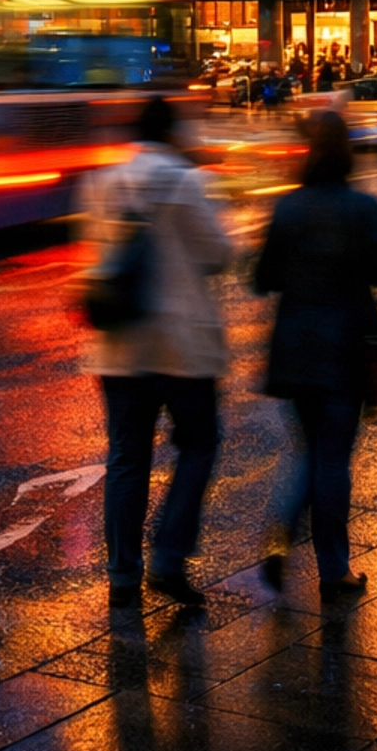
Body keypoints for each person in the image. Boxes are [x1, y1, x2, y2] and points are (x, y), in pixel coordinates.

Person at [80, 94, 233, 609]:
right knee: (199, 442)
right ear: (172, 131)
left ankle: (123, 574)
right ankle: (168, 554)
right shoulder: (188, 181)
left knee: (126, 457)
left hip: (120, 344)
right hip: (181, 346)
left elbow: (96, 252)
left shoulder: (103, 182)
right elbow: (218, 254)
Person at [253, 109, 377, 597]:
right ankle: (333, 568)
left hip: (295, 346)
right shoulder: (362, 207)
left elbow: (262, 278)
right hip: (346, 348)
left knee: (309, 448)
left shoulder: (287, 207)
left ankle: (280, 530)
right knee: (333, 459)